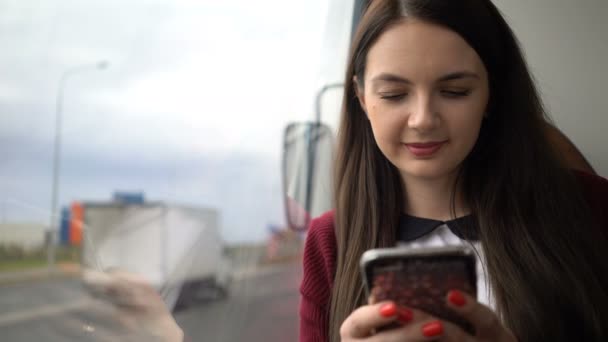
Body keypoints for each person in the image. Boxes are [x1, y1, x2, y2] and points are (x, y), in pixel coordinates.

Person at [299, 1, 608, 341]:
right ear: (360, 97)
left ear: (492, 93)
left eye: (454, 91)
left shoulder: (593, 206)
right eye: (394, 94)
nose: (423, 120)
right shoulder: (328, 241)